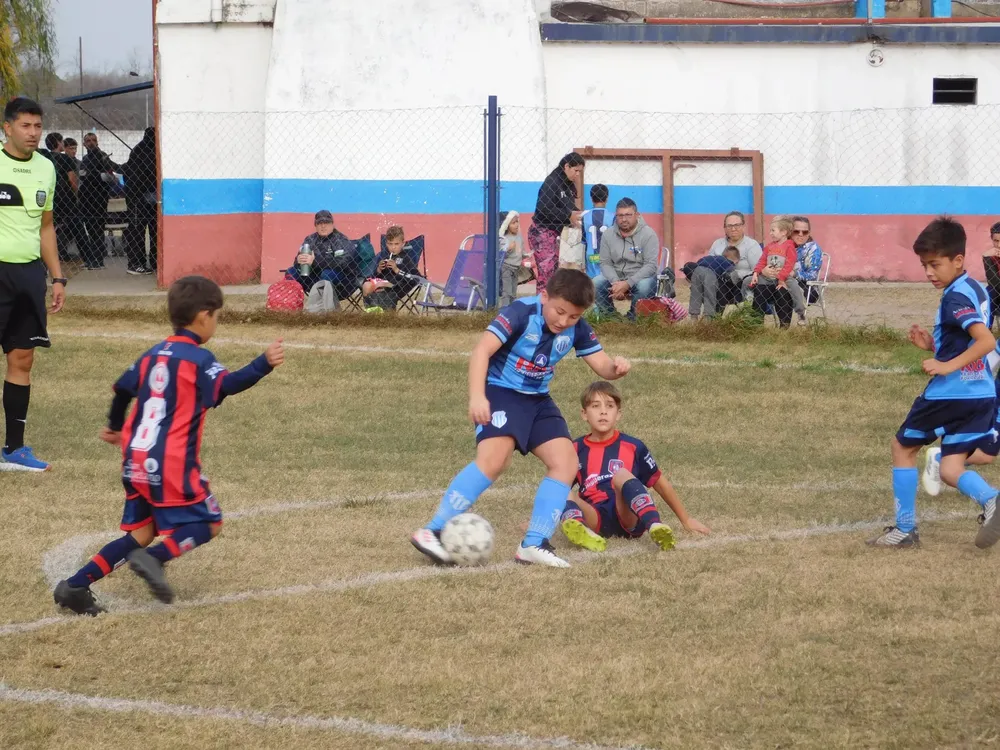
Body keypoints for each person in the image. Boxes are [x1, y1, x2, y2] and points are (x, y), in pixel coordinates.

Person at [52, 276, 285, 615]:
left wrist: (115, 427)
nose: (216, 324)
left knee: (142, 532)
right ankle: (155, 559)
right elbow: (230, 384)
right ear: (204, 316)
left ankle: (75, 585)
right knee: (210, 522)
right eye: (217, 317)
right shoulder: (198, 359)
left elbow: (122, 390)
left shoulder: (151, 355)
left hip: (135, 458)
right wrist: (263, 363)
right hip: (170, 461)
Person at [410, 268, 631, 568]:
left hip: (538, 399)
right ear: (544, 296)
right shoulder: (519, 313)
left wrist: (615, 369)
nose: (564, 321)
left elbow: (602, 365)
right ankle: (433, 530)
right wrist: (477, 396)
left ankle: (534, 543)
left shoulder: (576, 329)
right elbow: (481, 352)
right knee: (495, 460)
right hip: (501, 392)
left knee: (566, 463)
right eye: (560, 312)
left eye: (573, 317)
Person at [868, 216, 1000, 549]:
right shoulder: (976, 287)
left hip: (952, 393)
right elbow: (968, 340)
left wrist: (945, 365)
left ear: (958, 260)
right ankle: (992, 499)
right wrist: (933, 345)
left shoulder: (954, 298)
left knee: (903, 447)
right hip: (981, 392)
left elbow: (985, 341)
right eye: (924, 264)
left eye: (935, 264)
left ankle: (905, 530)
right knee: (950, 466)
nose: (928, 272)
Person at [560, 381, 711, 553]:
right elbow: (558, 486)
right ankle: (583, 532)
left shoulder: (633, 446)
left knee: (621, 474)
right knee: (560, 490)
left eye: (610, 406)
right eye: (595, 406)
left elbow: (660, 483)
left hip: (627, 514)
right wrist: (539, 522)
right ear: (584, 414)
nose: (603, 411)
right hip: (595, 516)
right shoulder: (574, 449)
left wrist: (686, 519)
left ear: (618, 414)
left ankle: (654, 524)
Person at [0, 98, 65, 472]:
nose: (34, 133)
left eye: (38, 126)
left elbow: (45, 226)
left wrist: (57, 276)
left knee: (22, 359)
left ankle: (14, 449)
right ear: (7, 128)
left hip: (28, 276)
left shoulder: (47, 168)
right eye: (25, 126)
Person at [528, 153, 584, 291]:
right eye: (575, 170)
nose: (577, 174)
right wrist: (568, 215)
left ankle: (551, 306)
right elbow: (543, 208)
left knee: (555, 274)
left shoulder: (568, 185)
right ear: (566, 166)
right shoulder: (552, 182)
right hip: (543, 231)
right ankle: (542, 308)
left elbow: (568, 208)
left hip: (557, 233)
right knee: (546, 274)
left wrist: (579, 214)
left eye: (580, 172)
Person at [595, 198, 659, 320]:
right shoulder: (608, 234)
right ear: (616, 216)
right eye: (620, 215)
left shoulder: (648, 234)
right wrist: (616, 283)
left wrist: (628, 283)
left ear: (637, 215)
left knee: (645, 286)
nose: (624, 219)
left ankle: (633, 319)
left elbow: (651, 266)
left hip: (639, 278)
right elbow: (605, 263)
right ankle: (611, 319)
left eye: (628, 215)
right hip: (616, 278)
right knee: (596, 283)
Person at [287, 210, 361, 299]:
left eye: (326, 222)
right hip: (315, 279)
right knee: (291, 271)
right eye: (319, 223)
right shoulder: (310, 239)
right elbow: (297, 262)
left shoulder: (341, 240)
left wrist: (314, 261)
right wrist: (298, 261)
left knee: (327, 273)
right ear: (315, 225)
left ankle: (323, 309)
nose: (323, 226)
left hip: (342, 283)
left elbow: (342, 263)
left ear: (332, 224)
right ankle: (291, 304)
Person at [78, 133, 120, 270]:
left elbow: (109, 177)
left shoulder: (103, 157)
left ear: (97, 142)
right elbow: (83, 175)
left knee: (97, 228)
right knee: (90, 229)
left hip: (99, 198)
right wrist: (97, 176)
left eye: (93, 140)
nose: (91, 143)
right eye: (88, 141)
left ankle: (97, 260)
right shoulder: (85, 158)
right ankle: (93, 259)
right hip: (86, 198)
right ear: (84, 144)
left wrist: (93, 175)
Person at [748, 216, 798, 328]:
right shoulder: (769, 247)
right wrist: (756, 272)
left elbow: (789, 264)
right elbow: (762, 261)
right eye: (770, 230)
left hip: (783, 280)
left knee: (783, 293)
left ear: (784, 232)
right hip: (768, 280)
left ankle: (784, 327)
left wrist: (781, 279)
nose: (770, 233)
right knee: (759, 291)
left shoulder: (790, 246)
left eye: (773, 230)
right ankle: (755, 325)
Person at [708, 211, 762, 312]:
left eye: (737, 225)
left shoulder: (751, 245)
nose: (733, 229)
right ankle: (714, 322)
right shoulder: (717, 244)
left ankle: (745, 320)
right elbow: (709, 265)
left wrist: (738, 274)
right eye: (729, 226)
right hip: (719, 282)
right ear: (724, 228)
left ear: (743, 226)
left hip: (743, 283)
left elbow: (758, 271)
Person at [38, 132, 80, 262]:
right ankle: (86, 255)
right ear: (57, 143)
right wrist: (76, 193)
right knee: (73, 225)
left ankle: (51, 253)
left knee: (50, 226)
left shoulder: (44, 156)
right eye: (61, 141)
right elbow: (72, 179)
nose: (63, 144)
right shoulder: (65, 159)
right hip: (65, 196)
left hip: (50, 197)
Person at [122, 126, 158, 275]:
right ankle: (136, 263)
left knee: (148, 229)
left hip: (143, 195)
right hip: (139, 196)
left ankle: (149, 262)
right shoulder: (146, 151)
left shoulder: (140, 150)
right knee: (138, 230)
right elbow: (147, 173)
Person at [362, 225, 420, 310]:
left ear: (403, 243)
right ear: (386, 244)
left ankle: (385, 313)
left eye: (396, 244)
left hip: (397, 285)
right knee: (366, 286)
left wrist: (397, 270)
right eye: (390, 244)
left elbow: (415, 278)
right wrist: (379, 270)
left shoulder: (406, 258)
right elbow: (374, 275)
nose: (393, 247)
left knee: (380, 289)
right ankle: (371, 311)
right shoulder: (384, 255)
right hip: (383, 281)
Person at [688, 247, 740, 320]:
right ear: (736, 260)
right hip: (710, 273)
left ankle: (693, 317)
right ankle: (708, 318)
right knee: (709, 295)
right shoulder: (729, 263)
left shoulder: (714, 258)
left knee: (695, 294)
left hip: (697, 269)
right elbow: (732, 276)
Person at [581, 184, 613, 279]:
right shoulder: (612, 217)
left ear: (591, 199)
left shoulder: (585, 217)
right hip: (607, 257)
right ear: (607, 198)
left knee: (593, 282)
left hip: (590, 257)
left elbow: (583, 241)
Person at [498, 211, 523, 307]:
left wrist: (525, 256)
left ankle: (512, 308)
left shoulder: (519, 237)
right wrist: (508, 248)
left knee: (513, 292)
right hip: (507, 267)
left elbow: (520, 250)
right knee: (507, 291)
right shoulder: (504, 239)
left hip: (516, 267)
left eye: (517, 222)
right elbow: (501, 254)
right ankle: (505, 309)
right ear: (507, 225)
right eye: (513, 223)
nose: (516, 225)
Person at [982, 221, 1000, 329]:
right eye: (996, 241)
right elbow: (994, 283)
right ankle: (985, 331)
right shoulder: (991, 256)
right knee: (989, 292)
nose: (998, 245)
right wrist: (986, 258)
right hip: (997, 294)